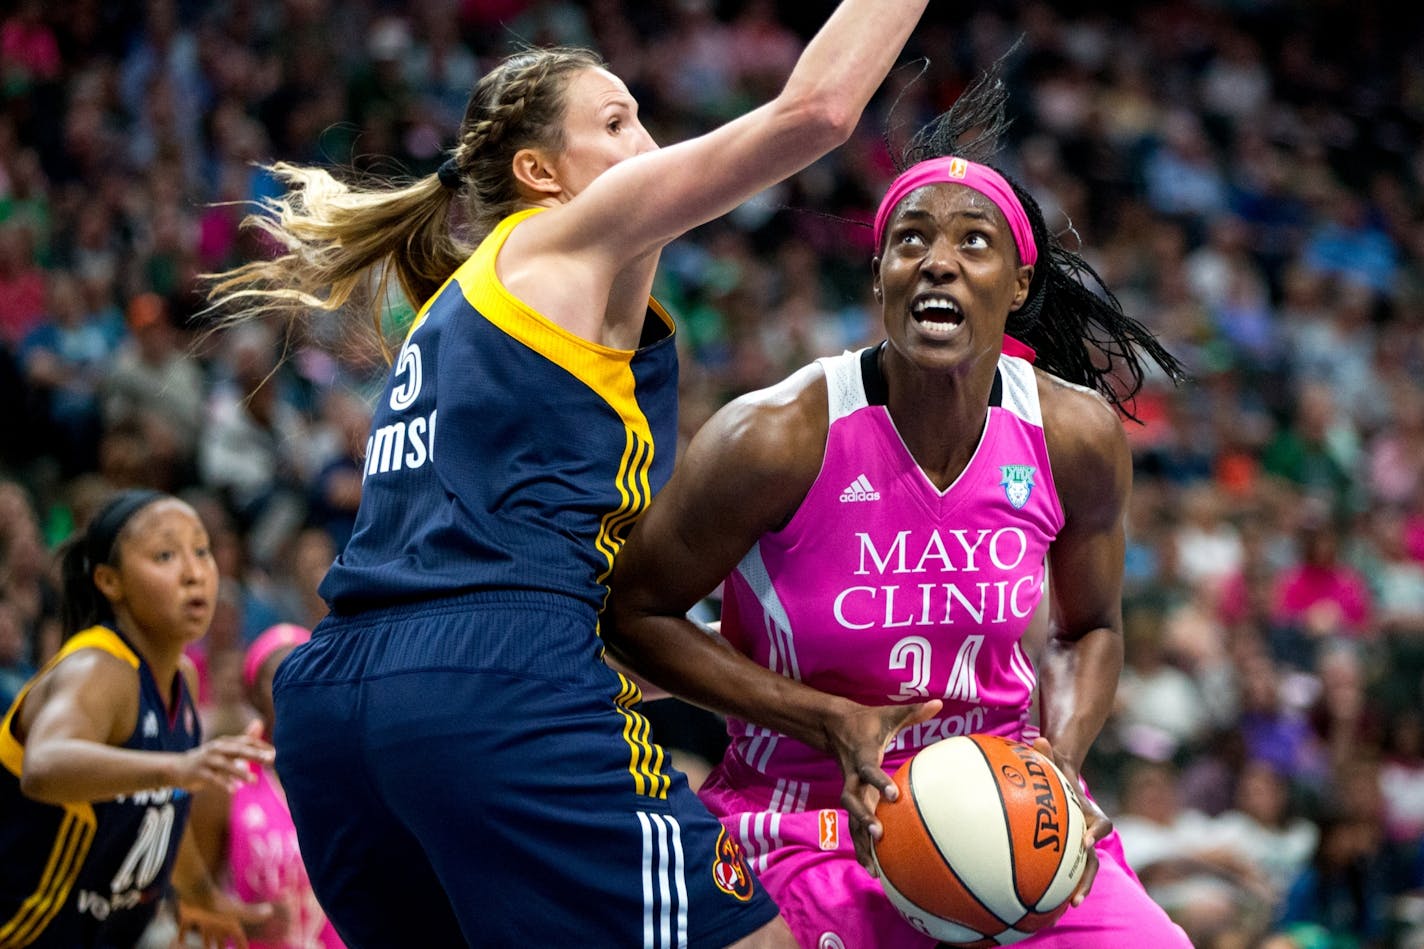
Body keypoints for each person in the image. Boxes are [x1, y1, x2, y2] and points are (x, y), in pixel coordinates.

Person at [200, 3, 934, 945]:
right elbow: (818, 112)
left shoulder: (480, 317)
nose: (652, 142)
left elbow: (595, 628)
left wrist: (802, 663)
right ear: (541, 175)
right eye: (618, 122)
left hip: (342, 705)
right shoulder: (567, 236)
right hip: (487, 685)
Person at [602, 62, 1195, 948]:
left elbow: (1088, 629)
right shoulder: (775, 436)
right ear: (879, 273)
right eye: (910, 241)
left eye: (973, 244)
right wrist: (824, 718)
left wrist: (1061, 759)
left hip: (1009, 804)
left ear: (1019, 286)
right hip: (804, 815)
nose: (938, 263)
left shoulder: (1073, 436)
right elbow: (632, 612)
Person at [0, 489, 275, 948]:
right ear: (110, 582)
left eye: (201, 551)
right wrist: (178, 767)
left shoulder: (180, 678)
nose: (194, 573)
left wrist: (203, 894)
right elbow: (43, 768)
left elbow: (164, 810)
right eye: (165, 555)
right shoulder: (97, 668)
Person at [188, 623, 345, 949]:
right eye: (279, 681)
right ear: (255, 696)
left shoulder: (351, 773)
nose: (296, 692)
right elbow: (188, 907)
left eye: (307, 676)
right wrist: (246, 919)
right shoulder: (226, 780)